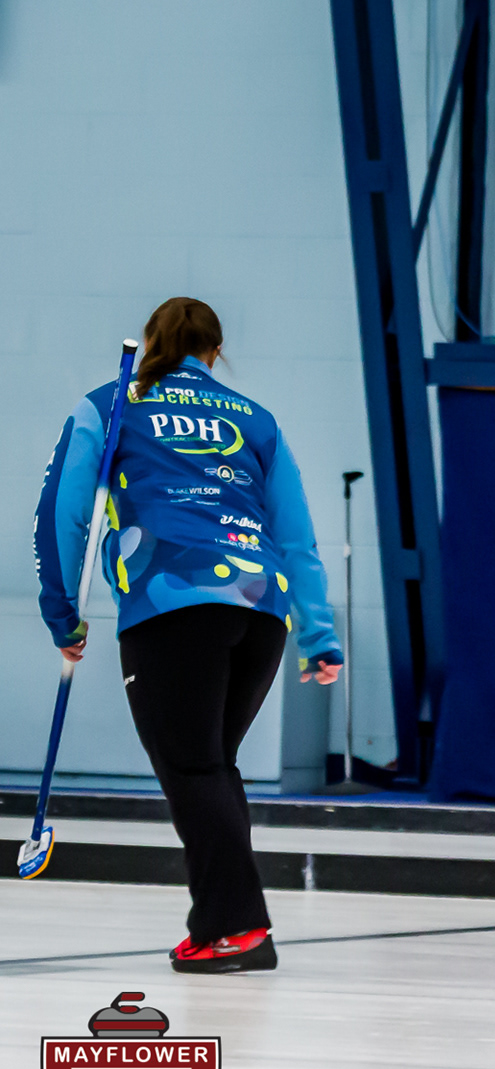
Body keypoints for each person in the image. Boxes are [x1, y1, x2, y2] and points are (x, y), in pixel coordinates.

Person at [35, 297, 343, 975]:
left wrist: (63, 613)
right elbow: (296, 536)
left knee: (194, 767)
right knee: (212, 766)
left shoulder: (110, 404)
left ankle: (237, 929)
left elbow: (63, 512)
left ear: (153, 344)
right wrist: (319, 635)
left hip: (172, 603)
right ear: (214, 352)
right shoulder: (256, 419)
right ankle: (221, 926)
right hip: (260, 610)